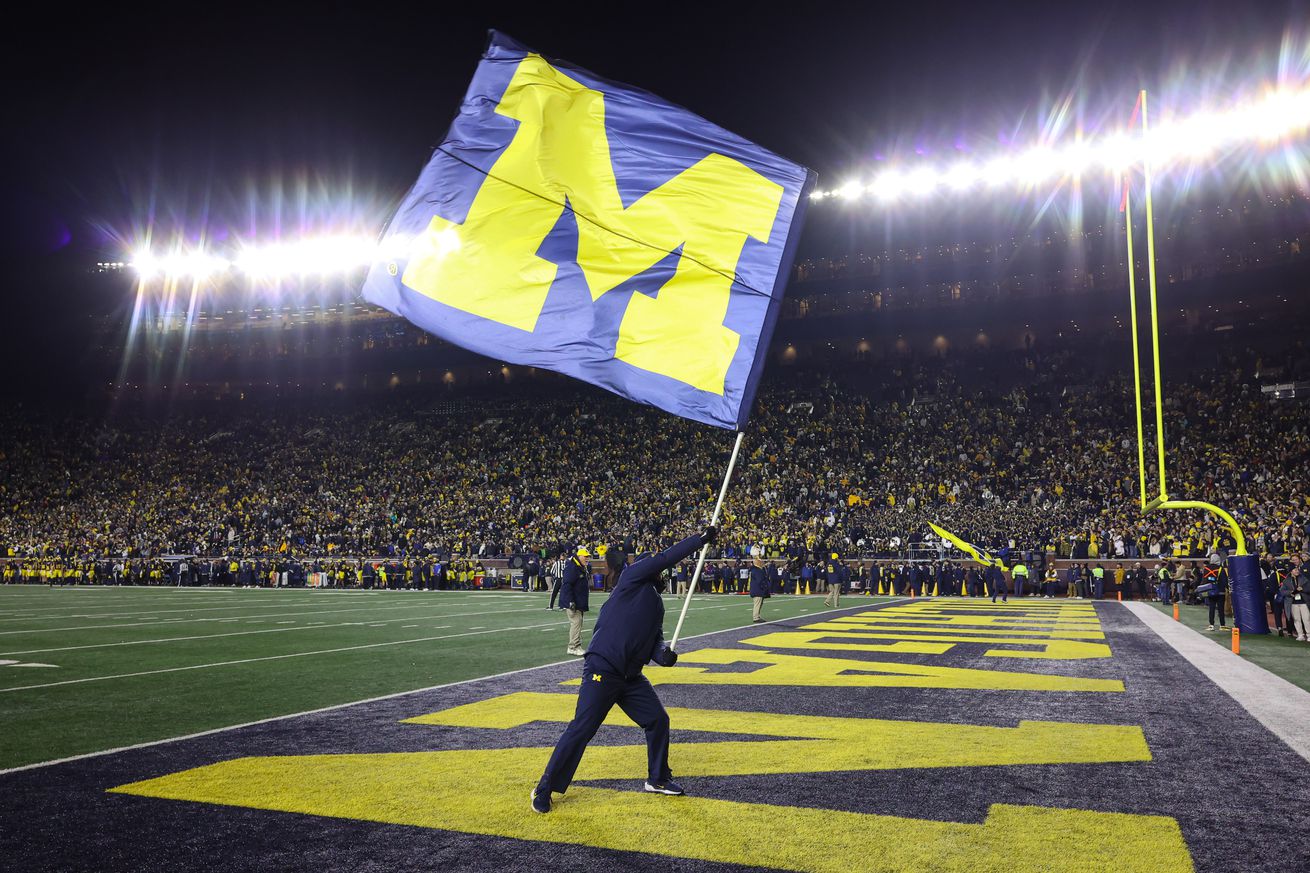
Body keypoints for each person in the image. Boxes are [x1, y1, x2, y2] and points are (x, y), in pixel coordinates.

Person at [532, 527, 715, 814]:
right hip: (603, 670)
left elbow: (655, 641)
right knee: (582, 729)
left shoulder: (656, 604)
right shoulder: (631, 580)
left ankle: (657, 778)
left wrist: (664, 657)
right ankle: (545, 788)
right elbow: (665, 558)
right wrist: (699, 540)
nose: (660, 570)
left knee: (657, 720)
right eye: (656, 566)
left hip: (631, 678)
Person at [560, 547, 592, 656]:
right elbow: (567, 585)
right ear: (579, 556)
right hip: (573, 602)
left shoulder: (579, 567)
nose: (587, 559)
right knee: (576, 623)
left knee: (578, 623)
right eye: (585, 557)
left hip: (578, 601)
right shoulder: (573, 567)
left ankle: (575, 646)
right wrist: (570, 601)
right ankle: (573, 647)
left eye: (588, 557)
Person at [1282, 558, 1310, 641]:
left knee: (1306, 619)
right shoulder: (1286, 581)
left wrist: (1303, 589)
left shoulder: (1304, 578)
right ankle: (1300, 635)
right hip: (1293, 602)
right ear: (1291, 571)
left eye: (1297, 569)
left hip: (1304, 602)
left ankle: (1309, 635)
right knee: (1296, 619)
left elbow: (1308, 587)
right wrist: (1290, 592)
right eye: (1295, 570)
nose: (1297, 571)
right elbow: (1282, 591)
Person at [749, 556, 770, 623]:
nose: (761, 563)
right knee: (757, 604)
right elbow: (760, 580)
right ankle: (756, 617)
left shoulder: (754, 570)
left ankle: (757, 616)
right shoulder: (757, 571)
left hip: (756, 589)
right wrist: (764, 586)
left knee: (758, 603)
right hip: (758, 590)